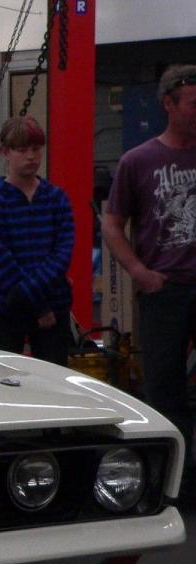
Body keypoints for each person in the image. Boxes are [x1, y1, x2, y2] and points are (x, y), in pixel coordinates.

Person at [102, 64, 196, 499]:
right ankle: (174, 483)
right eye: (193, 104)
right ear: (169, 105)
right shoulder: (138, 161)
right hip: (165, 291)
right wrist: (139, 272)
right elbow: (113, 224)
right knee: (164, 386)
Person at [0, 115, 76, 367]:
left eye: (36, 149)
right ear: (6, 152)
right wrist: (39, 305)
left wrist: (37, 300)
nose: (31, 156)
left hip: (53, 309)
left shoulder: (56, 198)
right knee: (0, 384)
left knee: (54, 386)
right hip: (4, 311)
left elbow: (62, 253)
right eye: (22, 150)